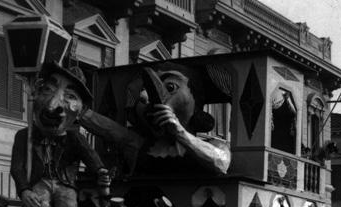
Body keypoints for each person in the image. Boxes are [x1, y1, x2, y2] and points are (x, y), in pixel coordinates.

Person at [10, 62, 110, 207]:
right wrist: (24, 190)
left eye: (70, 97)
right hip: (40, 183)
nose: (56, 104)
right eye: (47, 90)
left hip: (65, 183)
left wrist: (101, 170)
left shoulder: (75, 137)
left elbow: (91, 157)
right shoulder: (24, 136)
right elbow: (17, 167)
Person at [80, 63, 231, 176]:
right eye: (142, 90)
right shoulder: (140, 144)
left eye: (170, 87)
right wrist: (79, 112)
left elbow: (221, 162)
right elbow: (111, 129)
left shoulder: (214, 145)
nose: (145, 97)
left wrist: (179, 132)